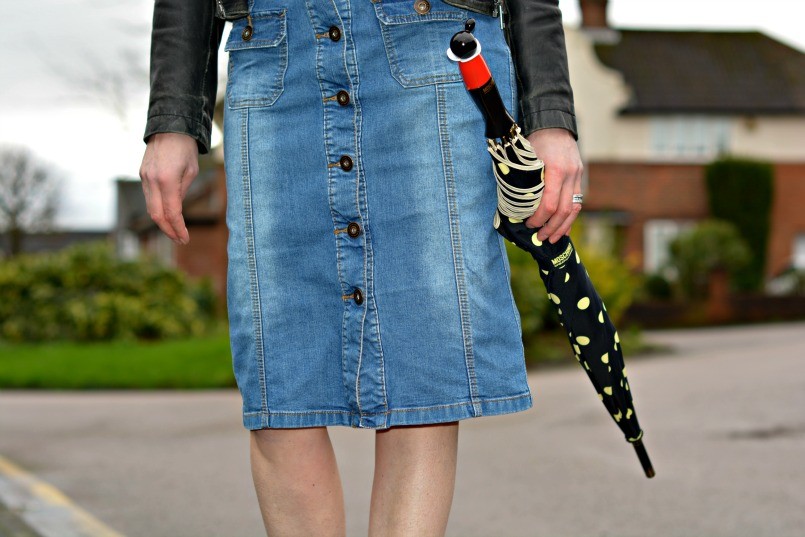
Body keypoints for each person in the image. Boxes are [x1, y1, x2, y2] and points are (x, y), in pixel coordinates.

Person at [139, 0, 582, 535]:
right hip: (275, 49)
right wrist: (172, 118)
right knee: (280, 378)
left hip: (434, 46)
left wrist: (550, 115)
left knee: (424, 376)